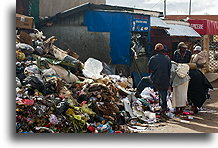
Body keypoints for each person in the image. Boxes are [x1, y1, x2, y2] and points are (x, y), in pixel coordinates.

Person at [135, 43, 172, 120]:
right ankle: (163, 111)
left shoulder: (153, 58)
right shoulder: (167, 59)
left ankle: (137, 94)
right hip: (165, 81)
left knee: (144, 80)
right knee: (163, 95)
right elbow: (169, 70)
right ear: (163, 51)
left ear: (156, 51)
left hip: (155, 80)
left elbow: (149, 70)